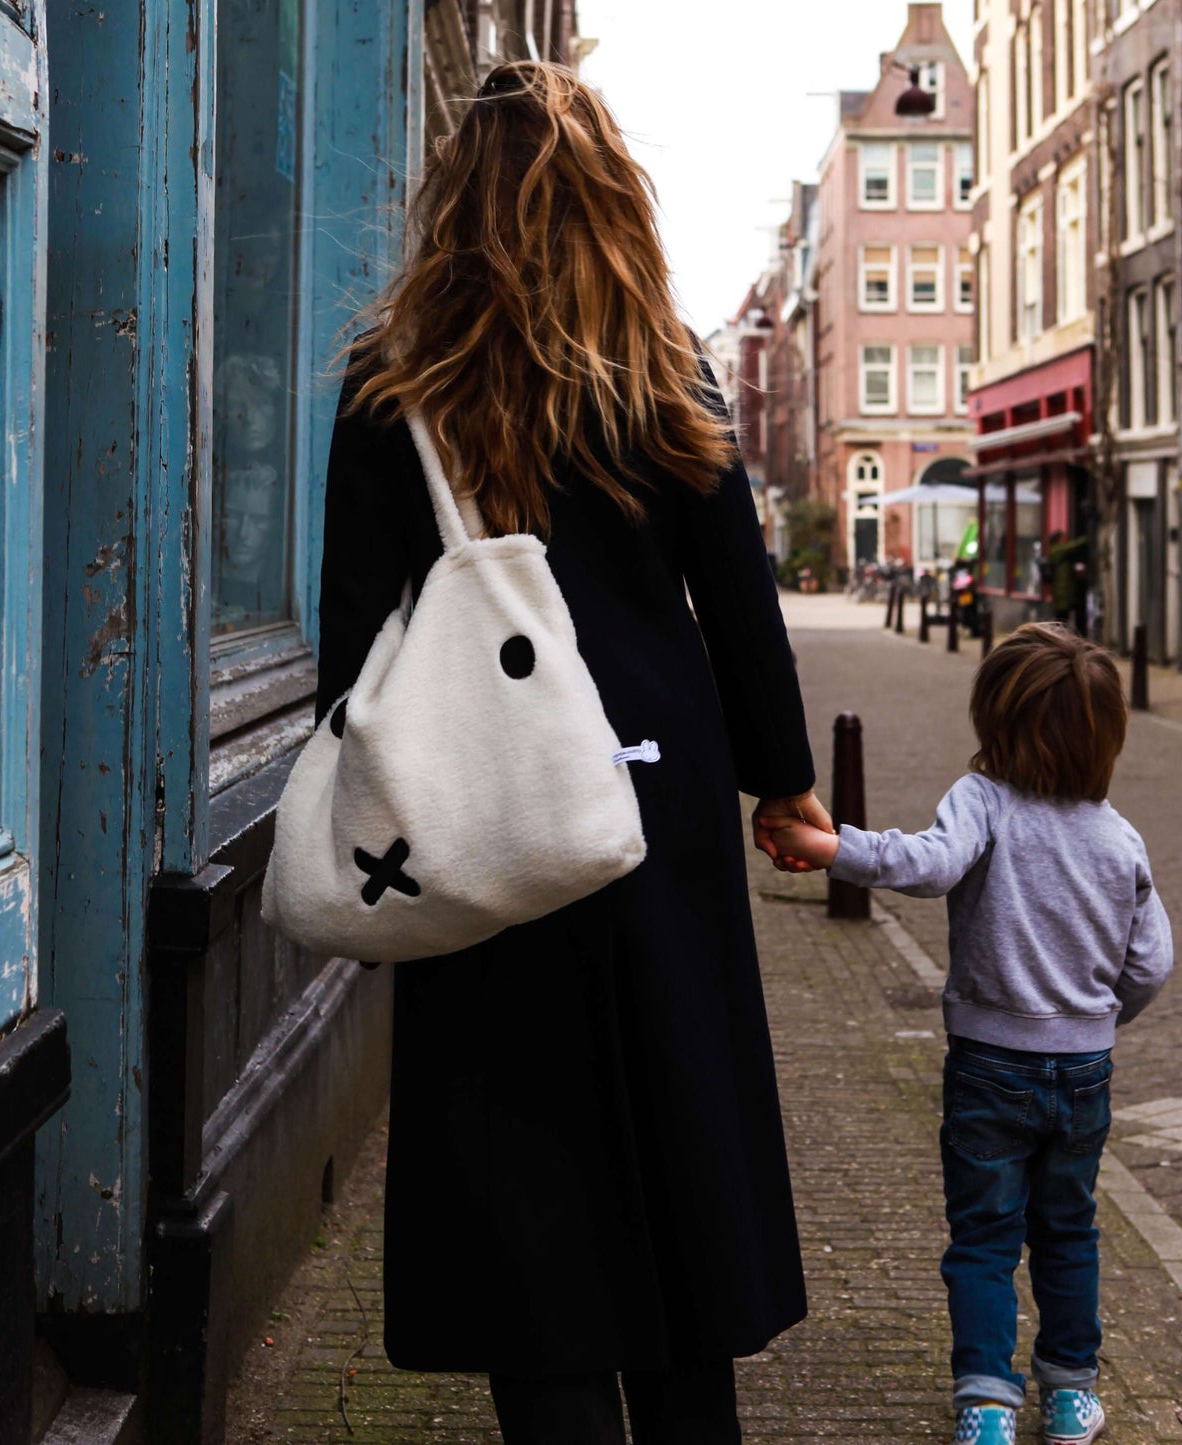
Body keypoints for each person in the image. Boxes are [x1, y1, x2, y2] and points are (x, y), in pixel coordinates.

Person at [315, 60, 831, 1444]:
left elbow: (351, 659)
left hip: (486, 824)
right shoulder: (663, 366)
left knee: (525, 1200)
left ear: (448, 201)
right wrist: (780, 784)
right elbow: (737, 601)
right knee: (676, 1171)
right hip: (651, 821)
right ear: (609, 198)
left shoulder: (391, 379)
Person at [764, 623, 1174, 1445]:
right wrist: (1094, 1021)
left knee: (984, 1238)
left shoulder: (982, 801)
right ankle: (1067, 1396)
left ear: (996, 721)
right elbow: (1152, 961)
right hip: (1084, 1068)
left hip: (988, 1064)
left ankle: (986, 1404)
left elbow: (926, 864)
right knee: (1069, 1229)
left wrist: (831, 845)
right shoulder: (1118, 835)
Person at [1047, 529, 1091, 637]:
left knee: (1063, 619)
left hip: (1063, 592)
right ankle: (1060, 639)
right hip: (1061, 593)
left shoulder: (1056, 551)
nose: (1065, 540)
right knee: (1061, 619)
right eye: (1063, 538)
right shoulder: (1057, 550)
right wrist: (1087, 538)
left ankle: (1063, 638)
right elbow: (1072, 546)